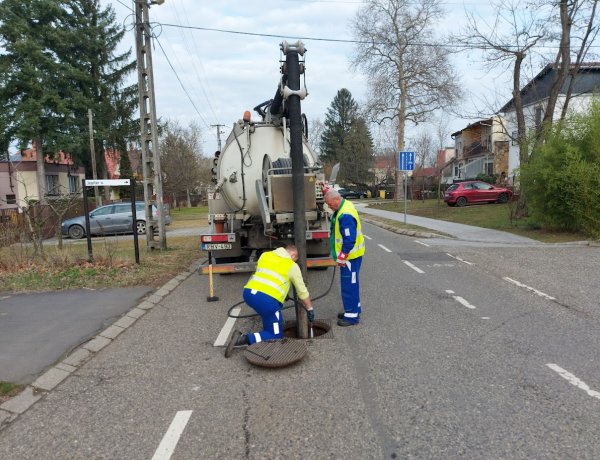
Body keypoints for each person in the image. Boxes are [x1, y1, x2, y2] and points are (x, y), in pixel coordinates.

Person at [225, 245, 314, 357]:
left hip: (249, 293)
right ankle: (242, 339)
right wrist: (310, 308)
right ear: (293, 255)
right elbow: (302, 292)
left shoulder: (265, 255)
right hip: (266, 300)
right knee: (276, 335)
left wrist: (283, 292)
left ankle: (267, 328)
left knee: (268, 315)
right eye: (295, 259)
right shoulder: (292, 266)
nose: (295, 261)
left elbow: (267, 275)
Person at [324, 189, 365, 327]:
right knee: (352, 284)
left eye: (330, 204)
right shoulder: (344, 205)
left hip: (350, 258)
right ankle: (353, 310)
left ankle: (351, 317)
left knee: (349, 286)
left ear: (336, 199)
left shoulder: (345, 214)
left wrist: (342, 256)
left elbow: (349, 239)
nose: (329, 207)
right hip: (352, 256)